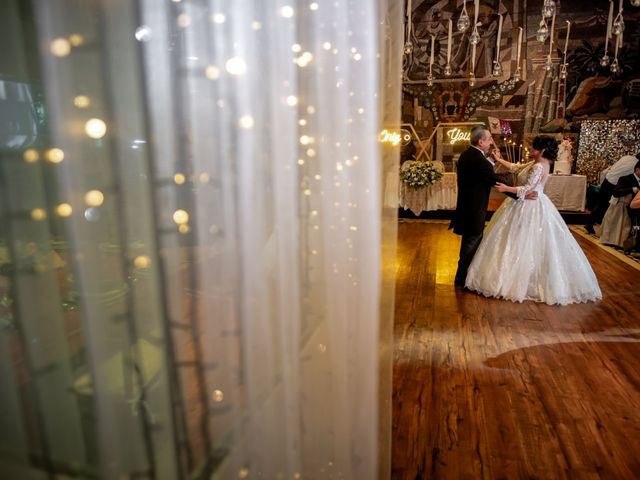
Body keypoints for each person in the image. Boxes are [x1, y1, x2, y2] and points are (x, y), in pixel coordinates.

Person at [465, 136, 601, 305]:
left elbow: (529, 189)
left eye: (534, 148)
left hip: (530, 206)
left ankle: (520, 280)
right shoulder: (536, 163)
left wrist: (507, 188)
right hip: (528, 203)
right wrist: (499, 159)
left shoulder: (538, 166)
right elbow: (516, 168)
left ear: (542, 150)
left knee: (523, 241)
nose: (530, 149)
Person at [449, 125, 535, 287]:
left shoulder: (467, 155)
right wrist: (520, 193)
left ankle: (463, 276)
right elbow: (494, 180)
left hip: (467, 206)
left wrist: (491, 160)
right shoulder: (478, 160)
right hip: (474, 209)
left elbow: (480, 172)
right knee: (471, 243)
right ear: (481, 142)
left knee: (470, 242)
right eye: (489, 139)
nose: (491, 143)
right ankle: (461, 278)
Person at [585, 151, 639, 234]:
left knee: (601, 205)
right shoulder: (636, 165)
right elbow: (631, 178)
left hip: (607, 180)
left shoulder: (626, 157)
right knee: (609, 208)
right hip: (614, 185)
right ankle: (606, 230)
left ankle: (590, 223)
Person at [599, 160, 640, 248]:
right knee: (614, 225)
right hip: (620, 205)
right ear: (637, 170)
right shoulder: (625, 178)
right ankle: (610, 241)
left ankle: (623, 243)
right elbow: (616, 192)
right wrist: (631, 189)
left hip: (632, 207)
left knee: (625, 227)